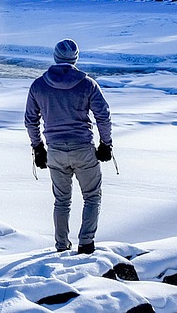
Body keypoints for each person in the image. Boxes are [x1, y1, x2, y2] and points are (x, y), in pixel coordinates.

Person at [24, 38, 113, 255]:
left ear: (55, 57)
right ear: (76, 58)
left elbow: (30, 120)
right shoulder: (87, 84)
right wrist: (106, 144)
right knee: (92, 196)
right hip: (83, 148)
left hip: (54, 151)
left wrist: (38, 148)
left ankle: (61, 246)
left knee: (62, 201)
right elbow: (103, 116)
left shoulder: (39, 85)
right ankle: (86, 243)